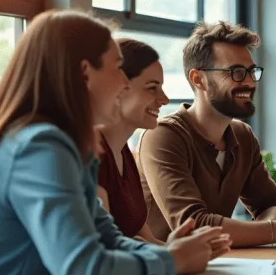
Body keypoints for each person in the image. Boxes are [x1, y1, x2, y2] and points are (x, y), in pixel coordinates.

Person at [0, 10, 224, 275]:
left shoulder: (69, 146)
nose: (123, 83)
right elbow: (85, 273)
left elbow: (109, 240)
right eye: (117, 69)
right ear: (85, 73)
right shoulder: (40, 147)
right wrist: (172, 260)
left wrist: (171, 252)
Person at [137, 21, 276, 246]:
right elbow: (193, 225)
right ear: (198, 79)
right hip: (167, 274)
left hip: (220, 266)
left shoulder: (242, 135)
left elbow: (272, 204)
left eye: (251, 71)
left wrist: (267, 230)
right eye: (236, 72)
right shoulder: (163, 136)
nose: (249, 82)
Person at [97, 38, 231, 258]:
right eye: (152, 88)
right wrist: (171, 255)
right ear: (118, 87)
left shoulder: (125, 154)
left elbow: (144, 238)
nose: (164, 99)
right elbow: (103, 252)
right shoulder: (91, 156)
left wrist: (174, 249)